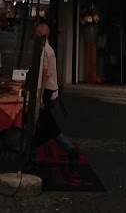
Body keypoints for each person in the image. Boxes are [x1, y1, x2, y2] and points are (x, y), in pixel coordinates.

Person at [33, 22, 77, 159]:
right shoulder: (47, 49)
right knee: (47, 121)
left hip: (47, 90)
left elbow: (45, 73)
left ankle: (68, 149)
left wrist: (40, 95)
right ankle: (67, 149)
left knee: (47, 123)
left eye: (37, 34)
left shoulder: (46, 50)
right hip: (49, 89)